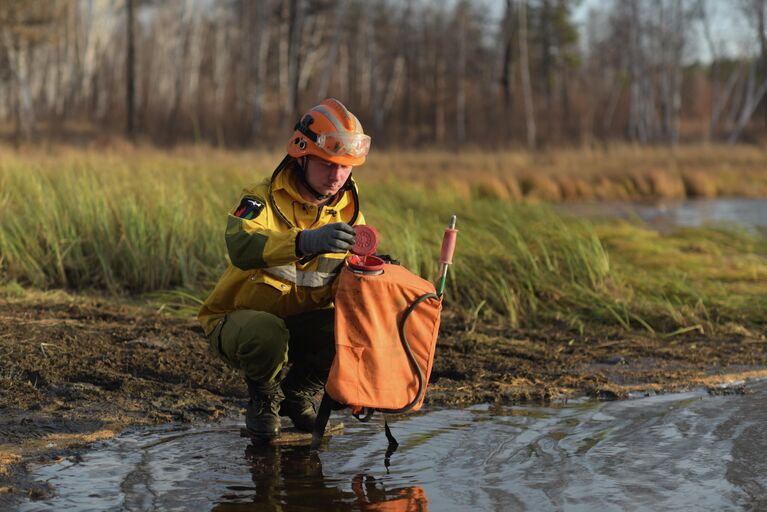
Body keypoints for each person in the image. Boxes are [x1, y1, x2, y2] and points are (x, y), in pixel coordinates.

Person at [198, 98, 371, 437]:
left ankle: (298, 395)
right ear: (302, 155)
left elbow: (346, 286)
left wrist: (371, 274)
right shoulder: (261, 198)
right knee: (267, 334)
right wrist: (304, 242)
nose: (337, 176)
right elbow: (240, 245)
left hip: (300, 324)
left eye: (346, 167)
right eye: (327, 164)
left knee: (350, 330)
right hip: (240, 321)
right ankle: (264, 399)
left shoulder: (350, 212)